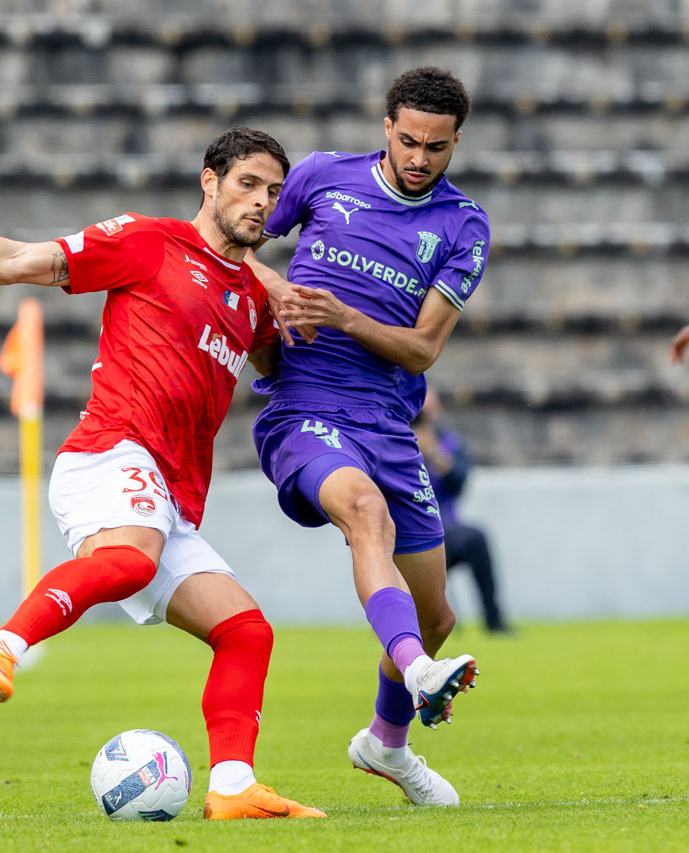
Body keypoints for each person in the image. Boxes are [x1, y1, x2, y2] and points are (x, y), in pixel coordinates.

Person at [0, 127, 327, 820]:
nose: (261, 202)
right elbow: (14, 260)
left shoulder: (252, 297)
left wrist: (311, 318)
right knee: (131, 560)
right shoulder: (148, 241)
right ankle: (0, 648)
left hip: (170, 496)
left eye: (274, 192)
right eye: (248, 183)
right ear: (209, 181)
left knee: (245, 629)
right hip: (110, 452)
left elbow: (282, 366)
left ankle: (231, 787)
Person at [244, 67, 490, 807]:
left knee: (438, 614)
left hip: (388, 420)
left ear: (455, 143)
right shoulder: (321, 177)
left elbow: (421, 351)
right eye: (409, 140)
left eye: (436, 147)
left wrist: (347, 317)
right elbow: (228, 245)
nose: (419, 158)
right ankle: (415, 669)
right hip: (305, 403)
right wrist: (274, 289)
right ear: (387, 127)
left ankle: (384, 743)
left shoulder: (463, 226)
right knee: (364, 513)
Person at [413, 389, 510, 634]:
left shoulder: (449, 444)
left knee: (476, 538)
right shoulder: (396, 441)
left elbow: (459, 482)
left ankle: (493, 620)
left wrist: (433, 452)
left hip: (445, 526)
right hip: (409, 529)